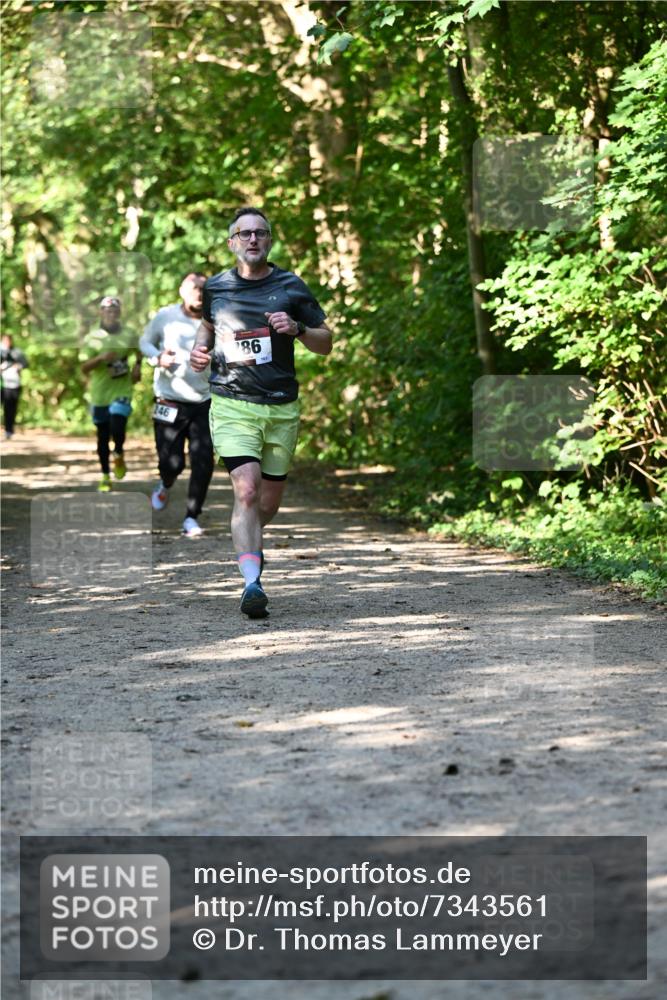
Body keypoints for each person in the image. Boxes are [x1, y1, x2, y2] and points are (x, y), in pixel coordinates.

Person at [190, 207, 331, 618]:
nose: (253, 240)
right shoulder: (216, 287)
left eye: (261, 233)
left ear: (269, 241)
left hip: (281, 406)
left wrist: (299, 330)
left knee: (266, 504)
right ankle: (252, 582)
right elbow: (207, 327)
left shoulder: (290, 286)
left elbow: (326, 342)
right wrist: (199, 352)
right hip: (232, 402)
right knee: (246, 491)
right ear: (232, 241)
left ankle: (249, 543)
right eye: (244, 233)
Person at [139, 272, 214, 537]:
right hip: (169, 400)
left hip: (205, 400)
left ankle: (192, 517)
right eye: (194, 287)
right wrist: (157, 357)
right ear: (182, 289)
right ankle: (165, 482)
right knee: (172, 463)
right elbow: (144, 342)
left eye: (204, 288)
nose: (199, 292)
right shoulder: (165, 317)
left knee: (204, 460)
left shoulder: (216, 319)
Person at [79, 296, 142, 492]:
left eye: (115, 310)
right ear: (101, 312)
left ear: (119, 312)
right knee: (102, 436)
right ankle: (105, 475)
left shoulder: (129, 333)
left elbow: (138, 351)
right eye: (107, 310)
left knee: (118, 423)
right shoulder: (92, 337)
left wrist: (137, 366)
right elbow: (84, 368)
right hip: (99, 393)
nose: (111, 313)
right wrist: (100, 358)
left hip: (122, 388)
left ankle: (119, 452)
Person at [1, 334, 28, 439]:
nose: (7, 343)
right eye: (5, 341)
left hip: (14, 384)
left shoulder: (16, 352)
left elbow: (25, 363)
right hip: (2, 384)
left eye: (8, 341)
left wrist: (19, 366)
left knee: (10, 408)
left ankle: (9, 431)